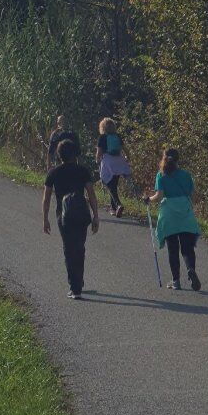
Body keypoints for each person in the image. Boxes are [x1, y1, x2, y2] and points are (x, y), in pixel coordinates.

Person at [43, 137, 100, 299]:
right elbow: (91, 194)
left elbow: (46, 198)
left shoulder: (54, 172)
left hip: (64, 215)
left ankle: (75, 288)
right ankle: (78, 281)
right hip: (81, 213)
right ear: (75, 154)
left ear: (59, 155)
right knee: (80, 248)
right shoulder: (83, 171)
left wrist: (45, 218)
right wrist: (95, 216)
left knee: (69, 249)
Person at [146, 147, 202, 291]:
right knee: (187, 248)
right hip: (185, 213)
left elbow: (158, 197)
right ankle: (191, 270)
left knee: (173, 249)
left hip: (168, 215)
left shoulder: (161, 175)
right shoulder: (185, 174)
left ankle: (176, 281)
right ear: (178, 159)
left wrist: (148, 199)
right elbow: (193, 196)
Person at [96, 117, 131, 217]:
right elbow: (125, 149)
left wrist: (97, 160)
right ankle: (114, 208)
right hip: (119, 161)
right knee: (113, 185)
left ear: (102, 127)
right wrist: (128, 158)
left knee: (107, 182)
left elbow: (99, 152)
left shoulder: (102, 137)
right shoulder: (117, 136)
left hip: (108, 162)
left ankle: (118, 204)